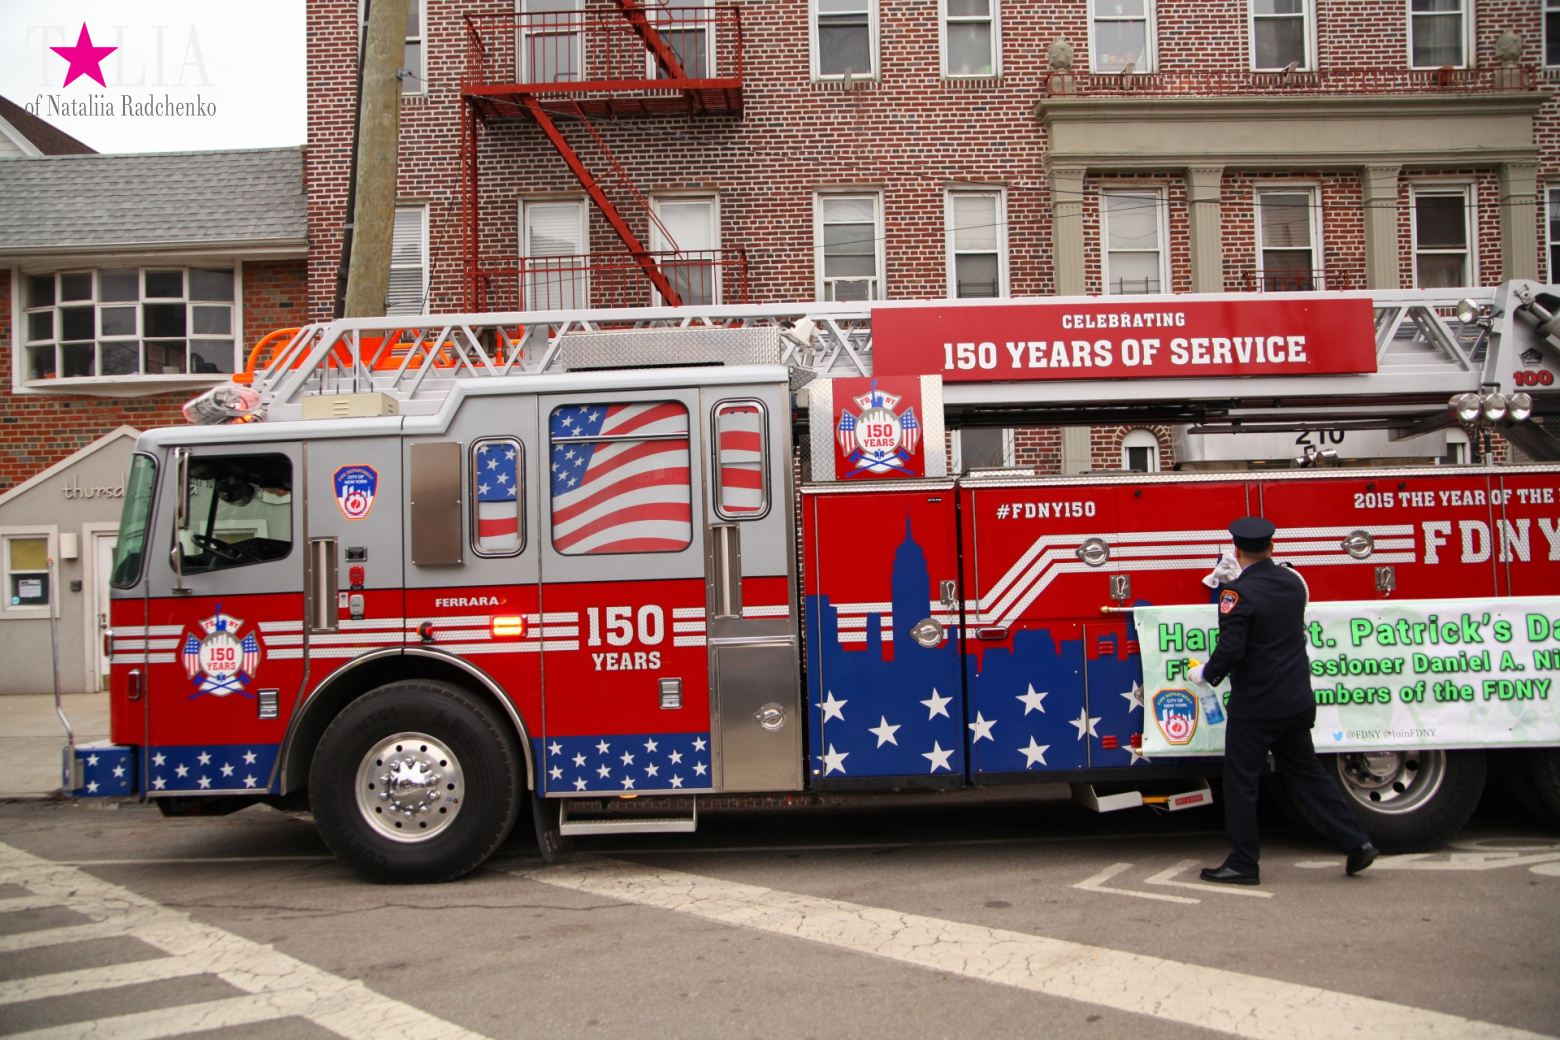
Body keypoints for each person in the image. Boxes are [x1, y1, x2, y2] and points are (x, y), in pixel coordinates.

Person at [1188, 516, 1377, 885]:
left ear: (1236, 551)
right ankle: (1358, 842)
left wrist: (1205, 674)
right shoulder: (1293, 583)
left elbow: (1232, 649)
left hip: (1256, 706)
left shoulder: (1235, 594)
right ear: (1271, 546)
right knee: (1309, 774)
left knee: (1241, 783)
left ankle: (1243, 863)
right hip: (1294, 699)